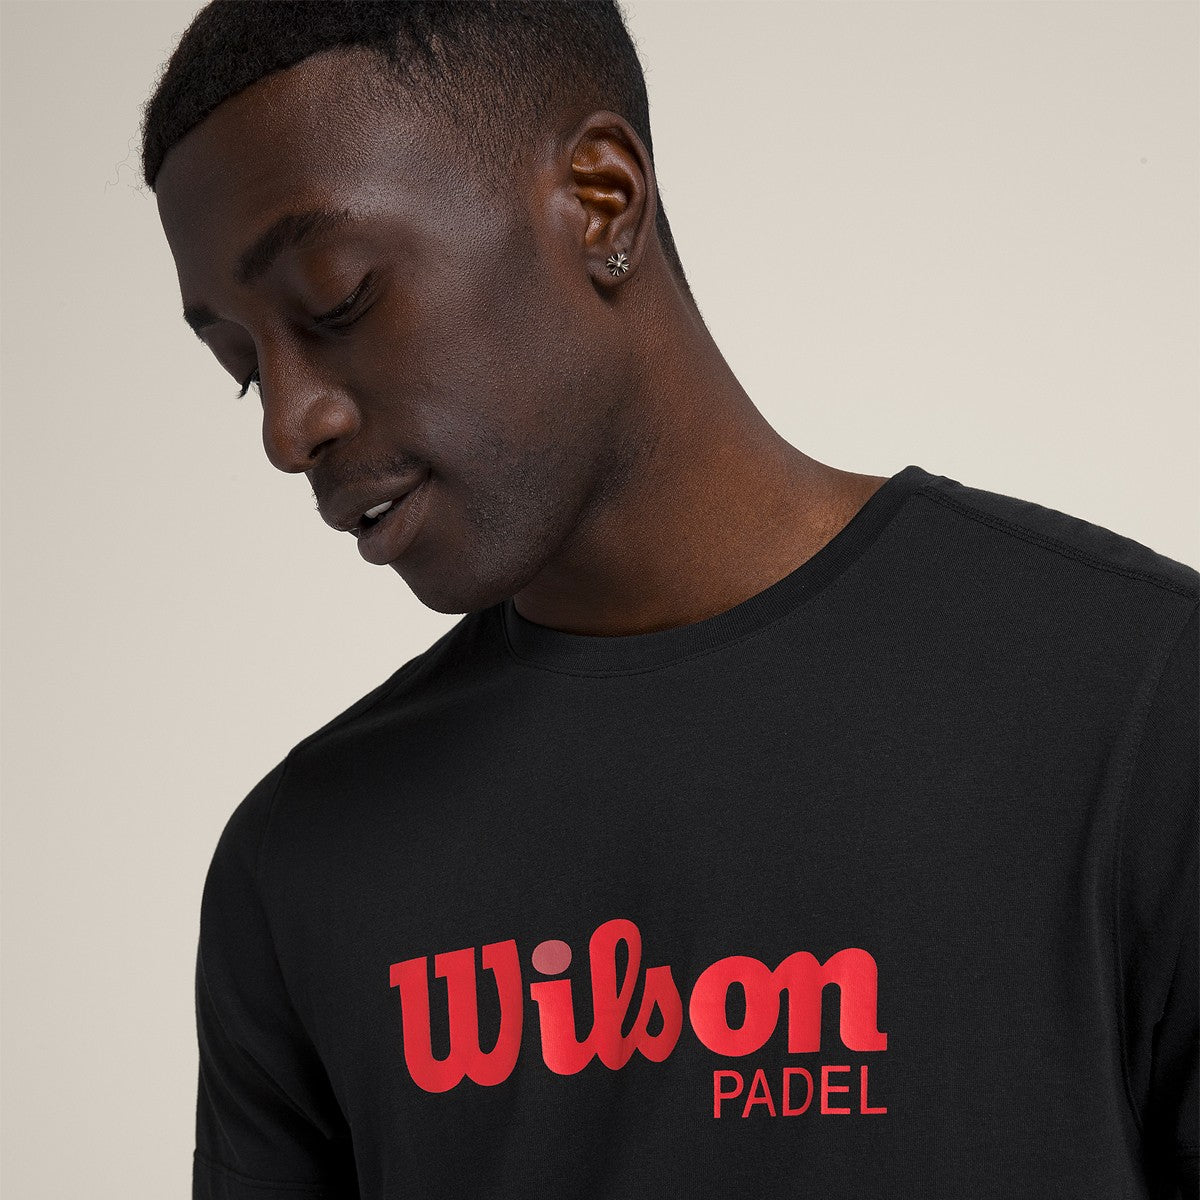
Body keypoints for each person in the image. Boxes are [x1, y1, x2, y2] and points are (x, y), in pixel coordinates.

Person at [141, 3, 1198, 1197]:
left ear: (601, 201)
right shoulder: (303, 863)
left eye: (337, 301)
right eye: (243, 367)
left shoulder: (1140, 704)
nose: (291, 426)